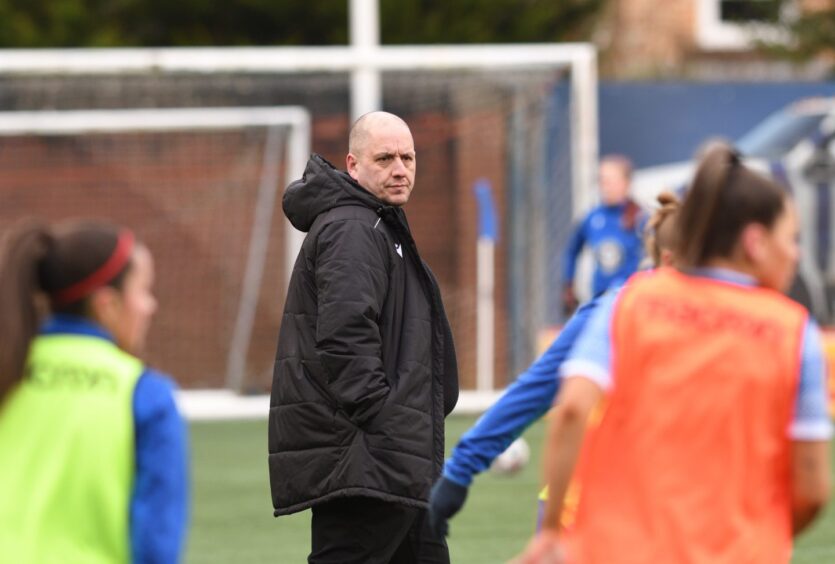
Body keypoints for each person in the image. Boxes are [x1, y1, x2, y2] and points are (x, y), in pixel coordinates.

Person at [517, 143, 832, 564]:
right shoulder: (794, 331)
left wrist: (553, 530)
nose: (796, 253)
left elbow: (573, 408)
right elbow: (811, 489)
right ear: (755, 242)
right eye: (790, 238)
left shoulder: (628, 303)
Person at [427, 193, 680, 539]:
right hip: (608, 516)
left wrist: (459, 471)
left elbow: (537, 394)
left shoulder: (627, 308)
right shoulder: (619, 310)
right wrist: (460, 469)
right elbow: (539, 393)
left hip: (637, 513)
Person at [268, 111, 459, 564]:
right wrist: (385, 419)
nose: (400, 169)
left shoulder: (377, 222)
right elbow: (345, 336)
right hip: (367, 458)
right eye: (385, 157)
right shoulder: (354, 227)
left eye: (408, 158)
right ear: (353, 165)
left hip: (390, 458)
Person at [0, 220, 189, 564]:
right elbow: (155, 544)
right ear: (107, 304)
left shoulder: (8, 374)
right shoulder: (145, 394)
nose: (151, 306)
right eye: (144, 290)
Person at [562, 155, 644, 315]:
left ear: (626, 183)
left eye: (610, 181)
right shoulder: (593, 218)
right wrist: (569, 285)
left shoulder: (638, 217)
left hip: (630, 301)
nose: (605, 187)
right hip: (600, 299)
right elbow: (572, 251)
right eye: (602, 181)